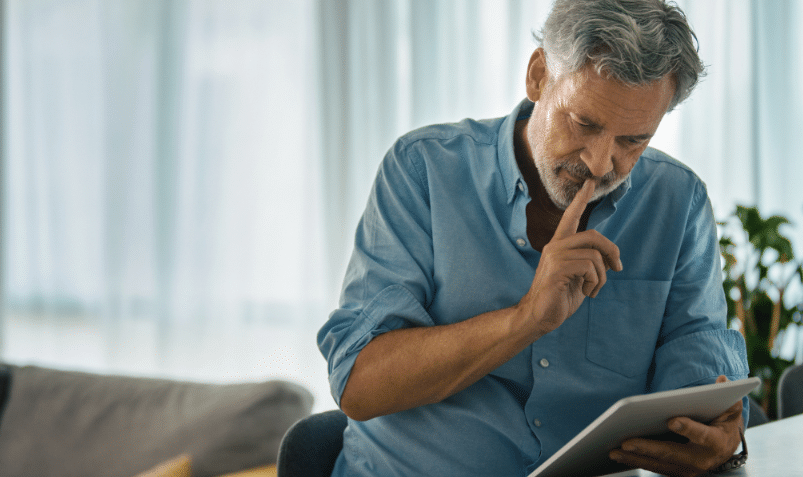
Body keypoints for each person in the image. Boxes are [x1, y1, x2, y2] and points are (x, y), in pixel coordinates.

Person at [317, 0, 750, 475]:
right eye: (584, 124)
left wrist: (716, 437)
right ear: (539, 75)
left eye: (633, 140)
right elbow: (358, 385)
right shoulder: (423, 169)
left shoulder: (679, 202)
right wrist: (525, 320)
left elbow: (700, 384)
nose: (600, 164)